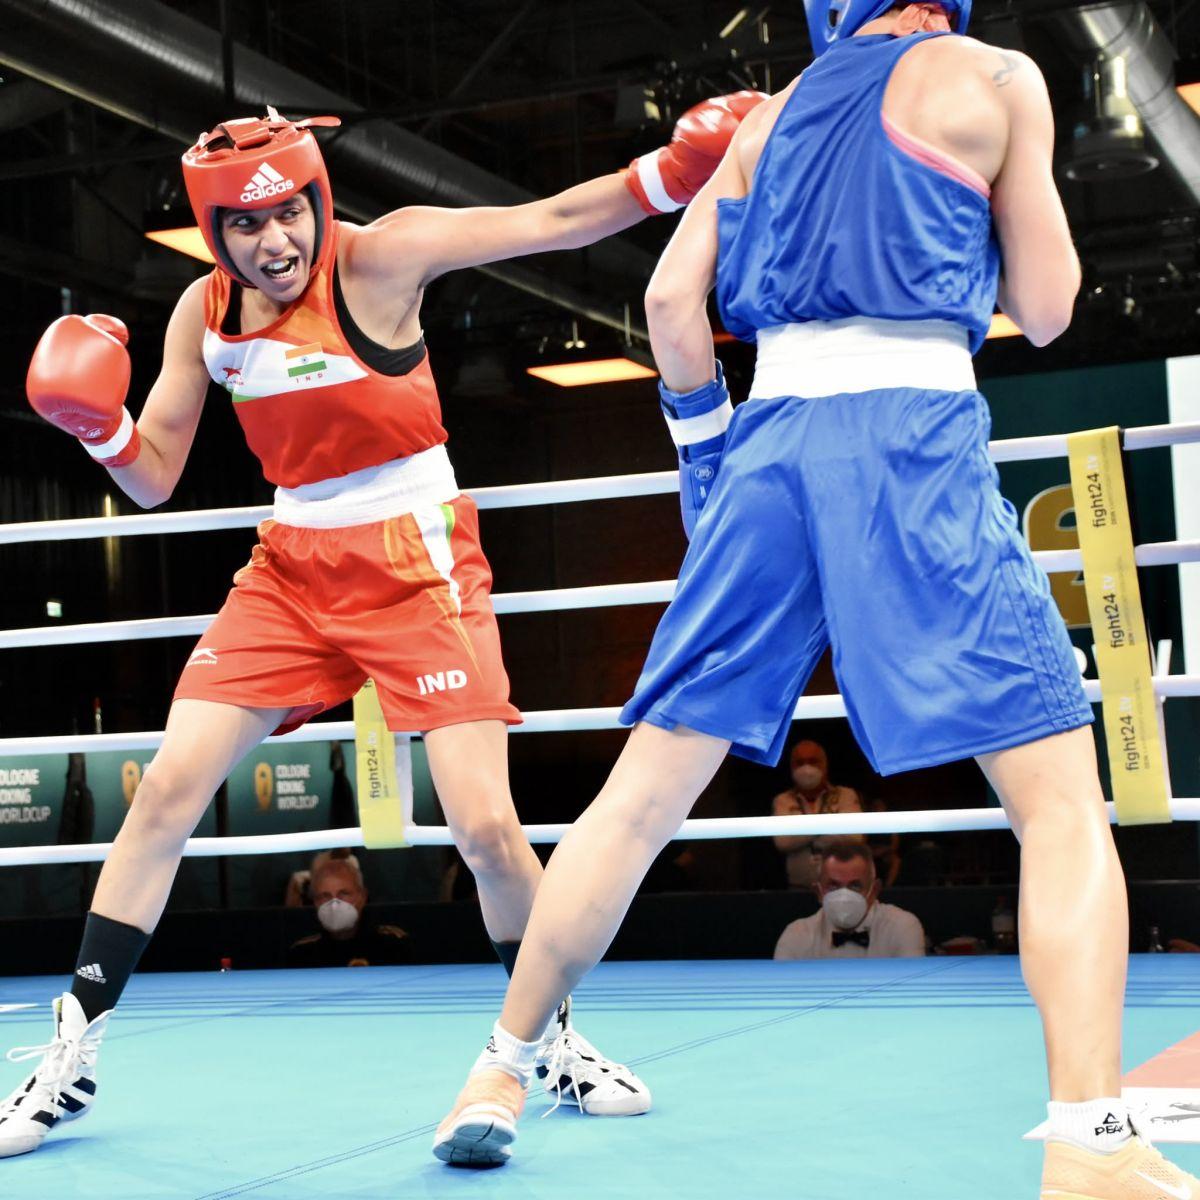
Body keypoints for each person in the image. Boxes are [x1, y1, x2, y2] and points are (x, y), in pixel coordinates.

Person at [435, 5, 1200, 1196]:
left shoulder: (764, 120)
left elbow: (671, 313)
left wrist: (710, 462)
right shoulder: (995, 74)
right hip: (911, 434)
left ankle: (498, 1065)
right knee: (1058, 807)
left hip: (771, 450)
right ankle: (1092, 1142)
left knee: (639, 798)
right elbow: (1048, 309)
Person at [0, 92, 766, 1159]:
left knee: (487, 830)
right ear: (216, 233)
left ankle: (549, 1043)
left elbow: (548, 221)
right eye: (246, 227)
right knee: (168, 787)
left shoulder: (382, 257)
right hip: (290, 567)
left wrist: (671, 175)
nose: (275, 242)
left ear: (316, 199)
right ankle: (67, 1059)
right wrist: (102, 428)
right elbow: (154, 478)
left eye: (287, 216)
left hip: (417, 558)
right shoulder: (201, 315)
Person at [773, 840, 924, 959]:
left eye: (855, 886)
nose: (844, 896)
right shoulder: (796, 936)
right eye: (833, 886)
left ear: (875, 890)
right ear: (818, 892)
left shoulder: (902, 927)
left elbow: (912, 994)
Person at [286, 855, 411, 967]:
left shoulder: (391, 945)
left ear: (362, 897)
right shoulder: (303, 953)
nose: (334, 904)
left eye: (344, 894)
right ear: (315, 902)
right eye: (325, 896)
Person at [772, 739, 862, 888]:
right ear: (791, 767)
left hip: (841, 887)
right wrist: (830, 824)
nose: (806, 768)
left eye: (813, 761)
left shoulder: (846, 795)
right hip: (798, 888)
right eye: (799, 762)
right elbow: (783, 841)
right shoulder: (783, 800)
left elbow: (854, 838)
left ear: (825, 765)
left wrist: (802, 831)